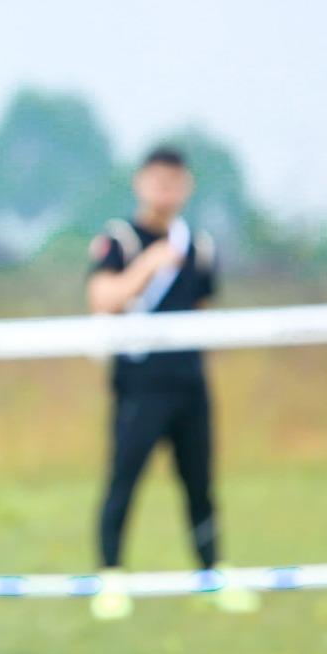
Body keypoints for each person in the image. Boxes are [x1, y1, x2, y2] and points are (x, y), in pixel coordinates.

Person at [85, 146, 258, 620]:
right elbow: (102, 299)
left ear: (188, 187)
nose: (166, 189)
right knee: (124, 479)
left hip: (190, 384)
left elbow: (203, 311)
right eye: (158, 179)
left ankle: (212, 572)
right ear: (141, 183)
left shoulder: (199, 246)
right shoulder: (120, 240)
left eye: (176, 180)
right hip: (140, 385)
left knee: (200, 482)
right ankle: (111, 577)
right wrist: (149, 265)